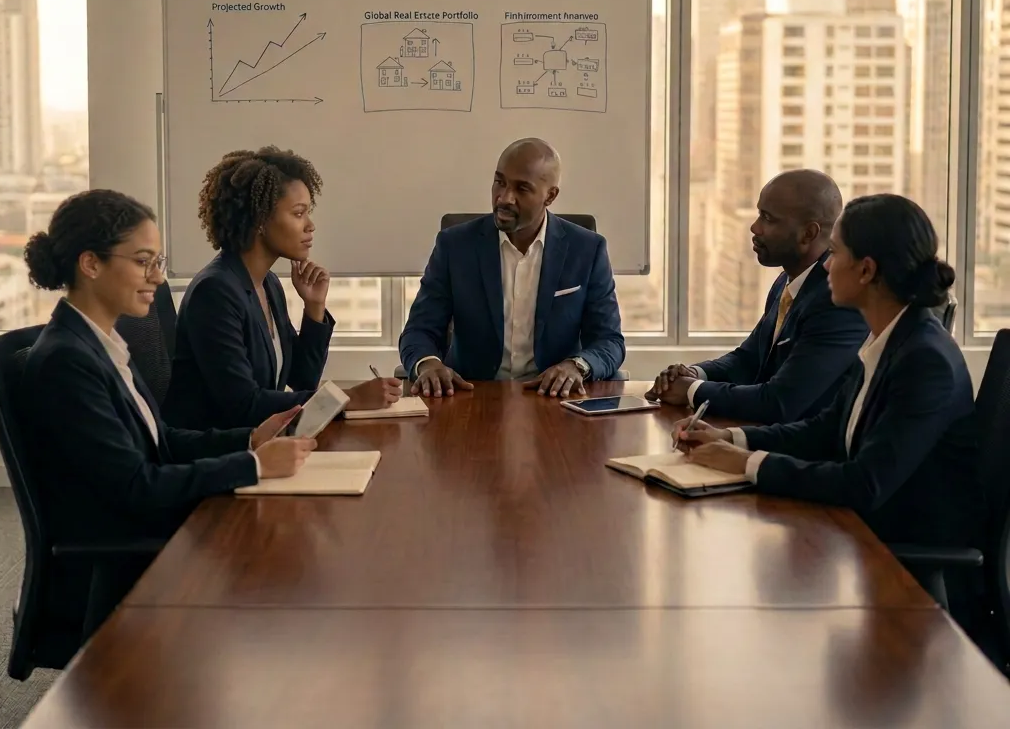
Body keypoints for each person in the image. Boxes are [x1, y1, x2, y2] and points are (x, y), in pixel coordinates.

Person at [21, 189, 316, 635]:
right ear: (91, 264)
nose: (157, 279)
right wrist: (253, 466)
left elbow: (163, 440)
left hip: (152, 528)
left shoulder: (102, 344)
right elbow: (136, 487)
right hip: (126, 560)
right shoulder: (68, 361)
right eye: (143, 261)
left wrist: (250, 439)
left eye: (157, 263)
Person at [675, 193, 982, 551]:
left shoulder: (925, 361)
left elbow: (864, 483)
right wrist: (732, 439)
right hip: (866, 532)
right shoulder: (887, 336)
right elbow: (827, 427)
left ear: (866, 270)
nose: (824, 266)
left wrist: (746, 464)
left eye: (834, 253)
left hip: (906, 557)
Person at [163, 146, 400, 429]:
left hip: (258, 445)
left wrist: (314, 308)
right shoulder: (215, 292)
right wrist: (347, 397)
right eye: (298, 213)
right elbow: (244, 405)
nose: (310, 226)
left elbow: (302, 379)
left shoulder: (268, 283)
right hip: (215, 456)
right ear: (260, 220)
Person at [399, 138, 626, 398]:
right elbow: (419, 329)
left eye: (522, 188)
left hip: (552, 398)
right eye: (500, 182)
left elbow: (609, 341)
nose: (504, 198)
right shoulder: (455, 246)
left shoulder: (586, 250)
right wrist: (428, 364)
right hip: (472, 396)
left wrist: (577, 366)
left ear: (550, 196)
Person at [648, 169, 867, 423]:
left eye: (768, 218)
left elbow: (779, 402)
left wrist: (691, 390)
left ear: (808, 233)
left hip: (805, 453)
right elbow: (749, 359)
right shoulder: (787, 281)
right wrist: (695, 373)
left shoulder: (837, 301)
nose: (755, 227)